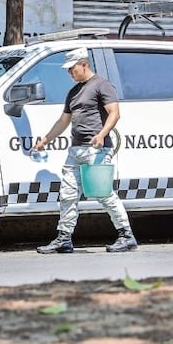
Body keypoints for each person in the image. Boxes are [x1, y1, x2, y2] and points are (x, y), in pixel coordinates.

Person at [31, 47, 138, 254]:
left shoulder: (102, 85)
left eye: (72, 69)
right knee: (68, 195)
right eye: (68, 70)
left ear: (83, 64)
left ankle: (127, 235)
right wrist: (45, 140)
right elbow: (63, 122)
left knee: (103, 194)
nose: (69, 73)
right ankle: (64, 238)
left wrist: (101, 134)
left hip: (96, 151)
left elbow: (114, 113)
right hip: (75, 151)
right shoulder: (73, 92)